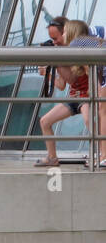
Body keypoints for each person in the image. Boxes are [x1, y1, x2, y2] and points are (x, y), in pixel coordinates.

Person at [39, 19, 102, 167]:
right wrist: (47, 73)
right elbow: (61, 85)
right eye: (52, 40)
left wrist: (57, 62)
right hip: (74, 97)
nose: (55, 43)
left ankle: (102, 154)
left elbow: (72, 78)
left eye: (56, 39)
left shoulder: (78, 47)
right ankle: (52, 157)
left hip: (87, 96)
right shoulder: (63, 52)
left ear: (65, 34)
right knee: (45, 121)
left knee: (89, 121)